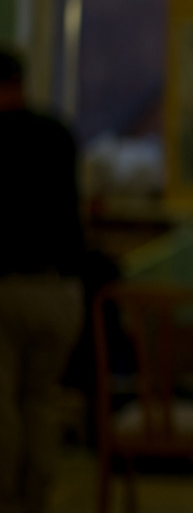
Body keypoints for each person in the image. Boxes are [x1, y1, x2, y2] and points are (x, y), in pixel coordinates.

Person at [0, 47, 85, 513]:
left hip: (7, 289)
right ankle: (38, 498)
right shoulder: (57, 134)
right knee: (41, 400)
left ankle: (7, 498)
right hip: (59, 293)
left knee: (3, 406)